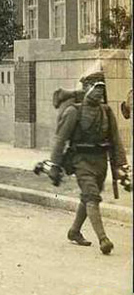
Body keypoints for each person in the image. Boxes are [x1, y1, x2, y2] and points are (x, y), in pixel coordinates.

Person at [49, 70, 129, 255]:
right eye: (96, 87)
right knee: (92, 196)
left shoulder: (106, 111)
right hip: (81, 160)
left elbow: (116, 141)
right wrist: (54, 165)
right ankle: (103, 239)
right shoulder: (73, 112)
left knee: (88, 197)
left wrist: (121, 166)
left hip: (101, 162)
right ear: (85, 89)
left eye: (102, 88)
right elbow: (60, 140)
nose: (100, 92)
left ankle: (74, 231)